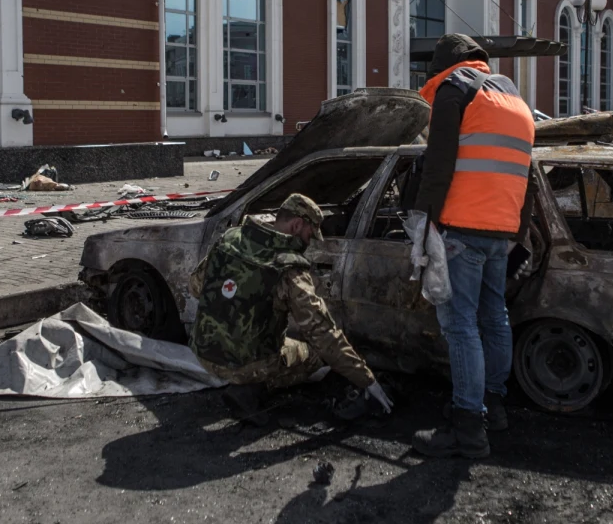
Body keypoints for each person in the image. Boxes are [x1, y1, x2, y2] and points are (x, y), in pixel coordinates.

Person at [411, 34, 535, 459]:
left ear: (442, 66)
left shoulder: (454, 90)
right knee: (494, 318)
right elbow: (528, 174)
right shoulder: (512, 97)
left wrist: (424, 223)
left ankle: (468, 428)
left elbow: (438, 162)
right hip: (502, 228)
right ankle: (493, 406)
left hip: (461, 227)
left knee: (460, 326)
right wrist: (519, 229)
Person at [189, 193, 392, 425]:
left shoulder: (230, 239)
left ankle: (243, 376)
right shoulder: (289, 268)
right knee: (314, 355)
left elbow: (195, 287)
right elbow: (324, 335)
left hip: (202, 353)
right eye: (309, 234)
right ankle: (249, 389)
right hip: (243, 365)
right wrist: (367, 380)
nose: (309, 242)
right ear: (297, 225)